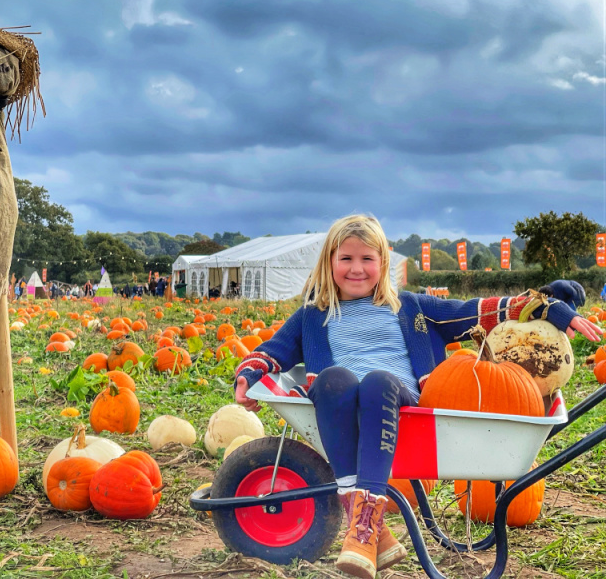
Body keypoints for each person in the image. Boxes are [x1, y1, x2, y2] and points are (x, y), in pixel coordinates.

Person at [233, 214, 601, 579]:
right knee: (332, 379)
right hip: (340, 405)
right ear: (329, 262)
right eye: (345, 258)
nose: (356, 268)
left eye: (367, 259)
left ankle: (363, 529)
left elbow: (478, 310)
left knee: (377, 381)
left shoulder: (411, 308)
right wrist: (248, 375)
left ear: (383, 263)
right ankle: (367, 531)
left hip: (399, 403)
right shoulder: (312, 316)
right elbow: (271, 351)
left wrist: (548, 307)